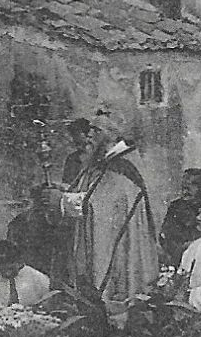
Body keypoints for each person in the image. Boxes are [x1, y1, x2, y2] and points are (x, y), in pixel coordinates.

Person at [64, 112, 158, 303]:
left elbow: (100, 207)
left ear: (113, 136)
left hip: (119, 245)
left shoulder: (122, 166)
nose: (89, 134)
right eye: (90, 129)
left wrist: (62, 202)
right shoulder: (100, 162)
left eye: (96, 130)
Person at [0, 240, 51, 307]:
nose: (5, 270)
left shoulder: (36, 277)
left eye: (9, 265)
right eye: (1, 265)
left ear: (18, 261)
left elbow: (50, 296)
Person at [59, 118, 93, 186]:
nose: (73, 139)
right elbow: (67, 184)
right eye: (73, 134)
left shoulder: (99, 157)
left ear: (88, 136)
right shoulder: (71, 159)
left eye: (76, 133)